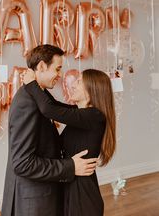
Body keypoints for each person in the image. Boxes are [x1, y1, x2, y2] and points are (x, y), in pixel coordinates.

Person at [1, 45, 98, 216]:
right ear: (41, 67)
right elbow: (23, 163)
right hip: (34, 202)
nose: (60, 76)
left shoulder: (38, 97)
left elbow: (51, 107)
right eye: (58, 69)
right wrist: (71, 166)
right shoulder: (27, 102)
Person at [23, 68, 116, 216]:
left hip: (82, 194)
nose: (73, 85)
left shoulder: (94, 116)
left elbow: (48, 109)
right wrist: (39, 84)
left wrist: (31, 83)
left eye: (79, 81)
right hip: (70, 186)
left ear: (91, 90)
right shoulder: (80, 115)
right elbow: (53, 104)